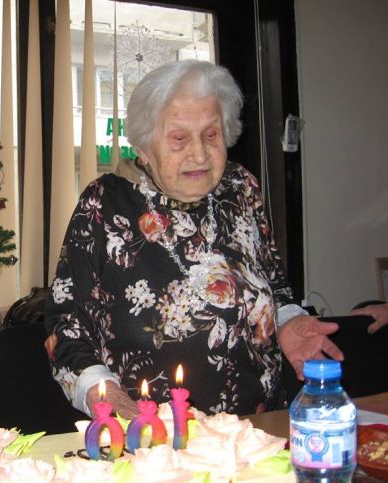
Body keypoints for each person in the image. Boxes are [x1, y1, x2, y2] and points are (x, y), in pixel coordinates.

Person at [44, 60, 344, 420]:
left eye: (211, 135)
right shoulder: (106, 203)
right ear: (144, 145)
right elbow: (66, 325)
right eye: (179, 138)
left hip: (255, 429)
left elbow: (275, 286)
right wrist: (105, 397)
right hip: (151, 433)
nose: (199, 154)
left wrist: (289, 320)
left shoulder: (241, 189)